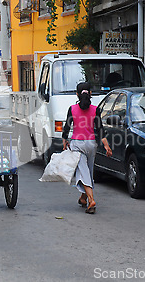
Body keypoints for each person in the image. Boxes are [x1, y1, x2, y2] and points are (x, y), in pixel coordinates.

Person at [62, 82, 112, 214]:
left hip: (77, 144)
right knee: (88, 172)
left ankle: (91, 200)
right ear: (90, 93)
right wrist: (106, 146)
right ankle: (83, 198)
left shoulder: (72, 109)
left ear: (77, 94)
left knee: (83, 173)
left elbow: (66, 128)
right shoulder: (96, 109)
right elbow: (100, 130)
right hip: (91, 144)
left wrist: (65, 141)